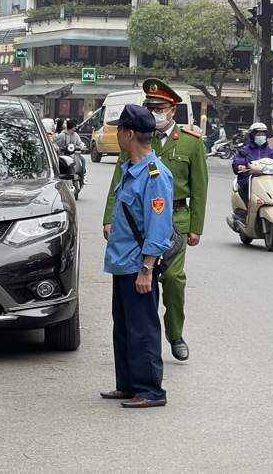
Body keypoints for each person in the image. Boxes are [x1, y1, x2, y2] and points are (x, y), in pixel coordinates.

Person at [104, 78, 208, 362]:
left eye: (159, 107)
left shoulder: (190, 142)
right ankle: (144, 345)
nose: (153, 112)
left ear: (172, 110)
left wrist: (196, 227)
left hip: (175, 220)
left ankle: (174, 334)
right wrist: (108, 219)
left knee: (172, 279)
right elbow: (119, 183)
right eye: (149, 107)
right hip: (138, 223)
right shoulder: (134, 139)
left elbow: (199, 188)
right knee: (137, 283)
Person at [100, 104, 173, 408]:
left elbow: (158, 226)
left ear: (130, 134)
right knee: (125, 326)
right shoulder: (129, 169)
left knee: (142, 328)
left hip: (138, 265)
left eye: (119, 129)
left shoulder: (154, 175)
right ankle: (128, 384)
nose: (116, 134)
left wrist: (147, 268)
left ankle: (150, 390)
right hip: (122, 261)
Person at [231, 122, 273, 206]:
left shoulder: (270, 150)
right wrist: (240, 166)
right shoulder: (245, 150)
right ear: (252, 135)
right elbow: (238, 161)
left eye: (263, 134)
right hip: (249, 178)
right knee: (248, 187)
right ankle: (247, 208)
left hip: (268, 179)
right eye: (258, 134)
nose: (261, 136)